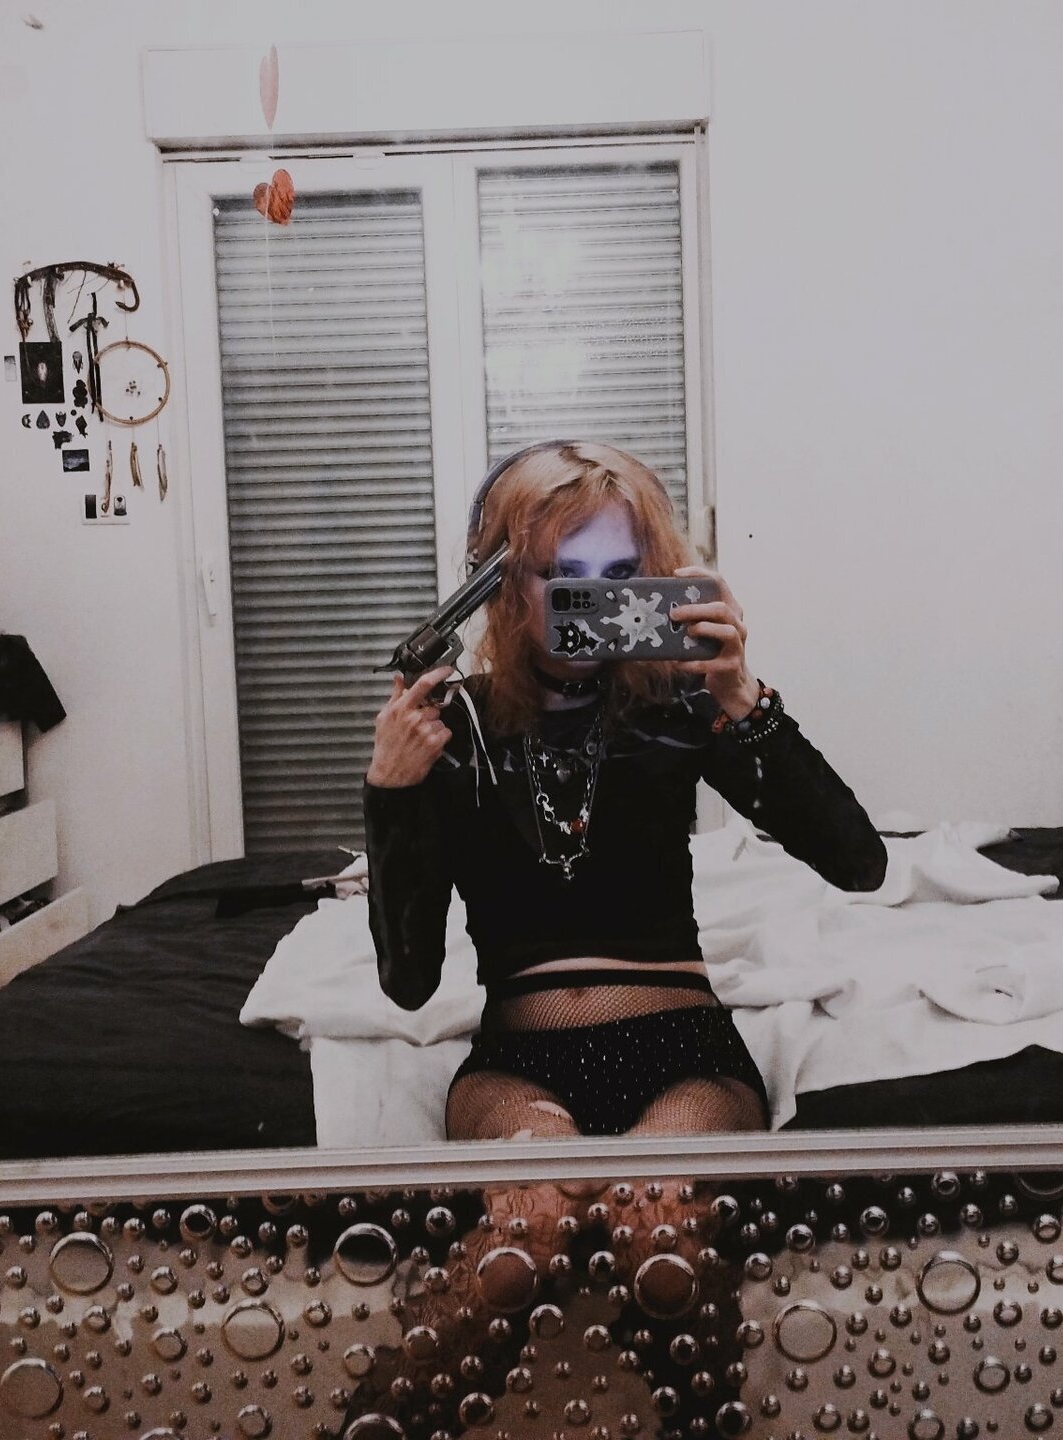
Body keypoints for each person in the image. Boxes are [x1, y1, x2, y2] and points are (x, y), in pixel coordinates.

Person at [348, 441, 887, 1432]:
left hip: (684, 1054)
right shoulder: (456, 728)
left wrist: (745, 700)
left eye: (619, 576)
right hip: (519, 1063)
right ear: (502, 586)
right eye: (561, 577)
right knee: (530, 1222)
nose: (590, 606)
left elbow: (859, 863)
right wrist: (391, 793)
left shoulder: (677, 705)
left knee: (658, 1222)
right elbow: (410, 979)